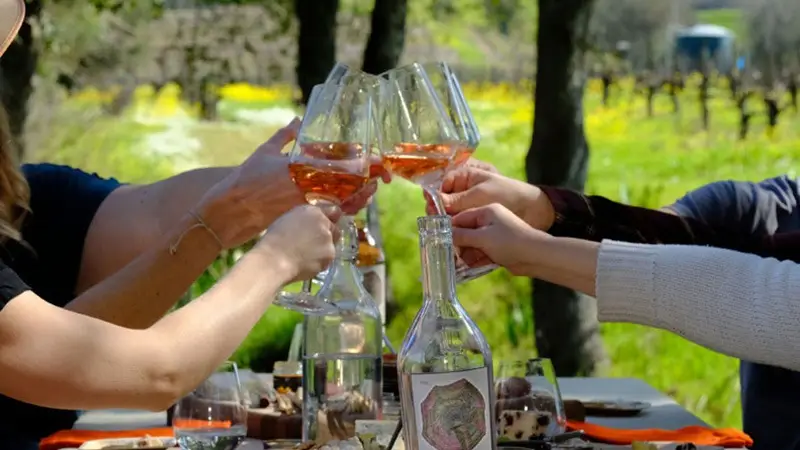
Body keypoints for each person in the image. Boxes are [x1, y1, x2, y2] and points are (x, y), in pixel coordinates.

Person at [0, 2, 385, 447]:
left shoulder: (25, 200)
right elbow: (158, 372)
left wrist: (297, 178)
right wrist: (277, 259)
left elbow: (157, 212)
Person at [435, 164, 800, 450]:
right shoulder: (765, 206)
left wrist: (533, 249)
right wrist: (540, 209)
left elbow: (776, 299)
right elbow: (671, 244)